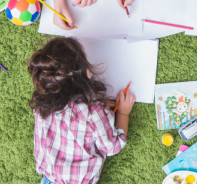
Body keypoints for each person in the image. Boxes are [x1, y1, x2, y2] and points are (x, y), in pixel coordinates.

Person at [28, 37, 136, 184]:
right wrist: (123, 113)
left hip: (49, 178)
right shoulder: (91, 112)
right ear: (86, 73)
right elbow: (113, 146)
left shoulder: (42, 106)